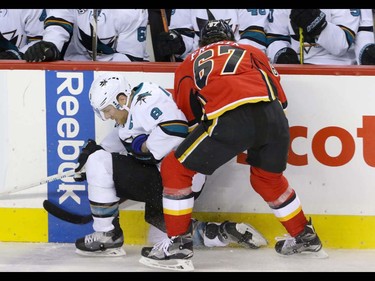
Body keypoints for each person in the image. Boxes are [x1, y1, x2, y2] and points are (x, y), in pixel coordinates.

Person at [140, 19, 327, 271]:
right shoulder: (252, 51)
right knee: (267, 180)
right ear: (232, 37)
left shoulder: (190, 60)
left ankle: (177, 246)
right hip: (274, 117)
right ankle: (304, 236)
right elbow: (280, 96)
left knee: (175, 168)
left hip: (231, 116)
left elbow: (188, 112)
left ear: (202, 42)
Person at [73, 72, 268, 257]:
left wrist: (141, 147)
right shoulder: (132, 110)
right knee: (160, 235)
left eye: (108, 110)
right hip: (175, 182)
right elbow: (121, 138)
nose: (107, 116)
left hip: (177, 178)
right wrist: (92, 155)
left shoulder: (147, 99)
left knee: (99, 162)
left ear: (122, 99)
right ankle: (222, 233)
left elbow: (175, 130)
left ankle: (107, 235)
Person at [24, 9, 150, 62]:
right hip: (73, 63)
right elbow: (58, 25)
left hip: (115, 69)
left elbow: (130, 60)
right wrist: (50, 46)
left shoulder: (132, 12)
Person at [157, 9, 269, 61]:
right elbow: (185, 35)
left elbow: (254, 40)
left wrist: (224, 57)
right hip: (197, 62)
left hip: (237, 62)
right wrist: (178, 43)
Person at [267, 9, 360, 64]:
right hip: (296, 72)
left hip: (337, 68)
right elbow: (275, 38)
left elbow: (341, 46)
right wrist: (282, 55)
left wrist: (317, 26)